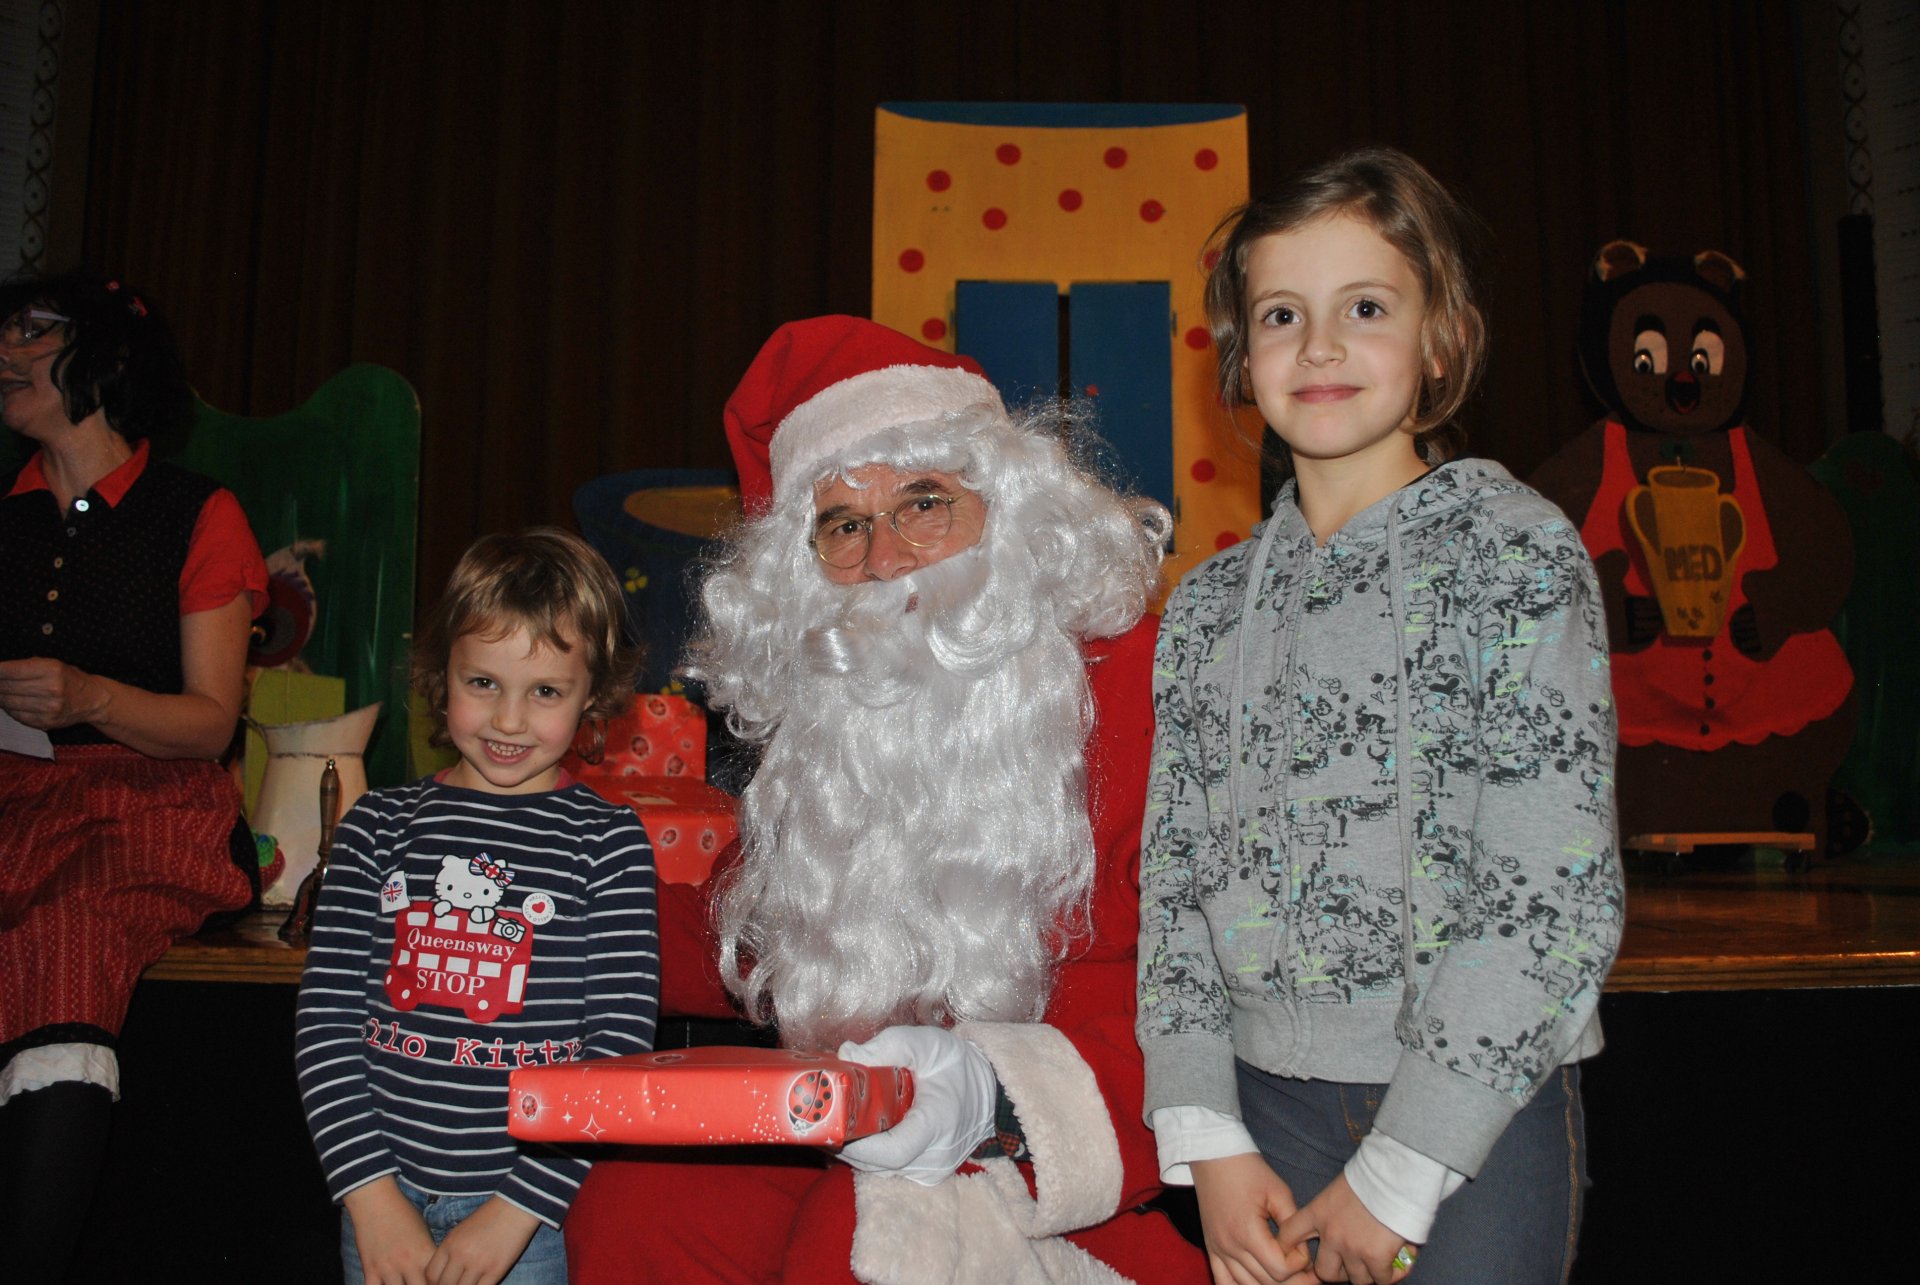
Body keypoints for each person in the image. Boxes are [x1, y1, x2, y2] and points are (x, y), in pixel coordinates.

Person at [565, 316, 1208, 1283]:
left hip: (1078, 1166)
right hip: (869, 1141)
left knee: (863, 1243)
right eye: (844, 525)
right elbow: (757, 937)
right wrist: (564, 910)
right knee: (641, 1211)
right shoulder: (839, 722)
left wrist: (997, 1096)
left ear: (1008, 507)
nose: (887, 556)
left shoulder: (1145, 685)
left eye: (923, 503)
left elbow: (1222, 985)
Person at [1137, 147, 1624, 1285]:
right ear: (1240, 357)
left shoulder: (1515, 554)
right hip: (1260, 1119)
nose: (1319, 346)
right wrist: (1204, 1131)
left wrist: (1403, 1167)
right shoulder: (1204, 607)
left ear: (1441, 339)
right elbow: (1173, 882)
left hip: (1476, 1114)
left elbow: (1552, 886)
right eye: (1281, 314)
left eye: (1364, 307)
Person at [294, 527, 659, 1285]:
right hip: (380, 1207)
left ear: (593, 696)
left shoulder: (610, 842)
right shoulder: (374, 825)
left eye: (546, 691)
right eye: (484, 682)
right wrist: (371, 1200)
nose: (509, 720)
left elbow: (617, 1048)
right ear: (442, 674)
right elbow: (326, 1027)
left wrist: (519, 1209)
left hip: (528, 1221)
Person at [0, 269, 268, 1280]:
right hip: (12, 797)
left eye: (34, 332)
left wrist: (90, 697)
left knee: (68, 925)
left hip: (144, 799)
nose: (6, 352)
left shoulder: (194, 512)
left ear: (109, 357)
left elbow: (209, 723)